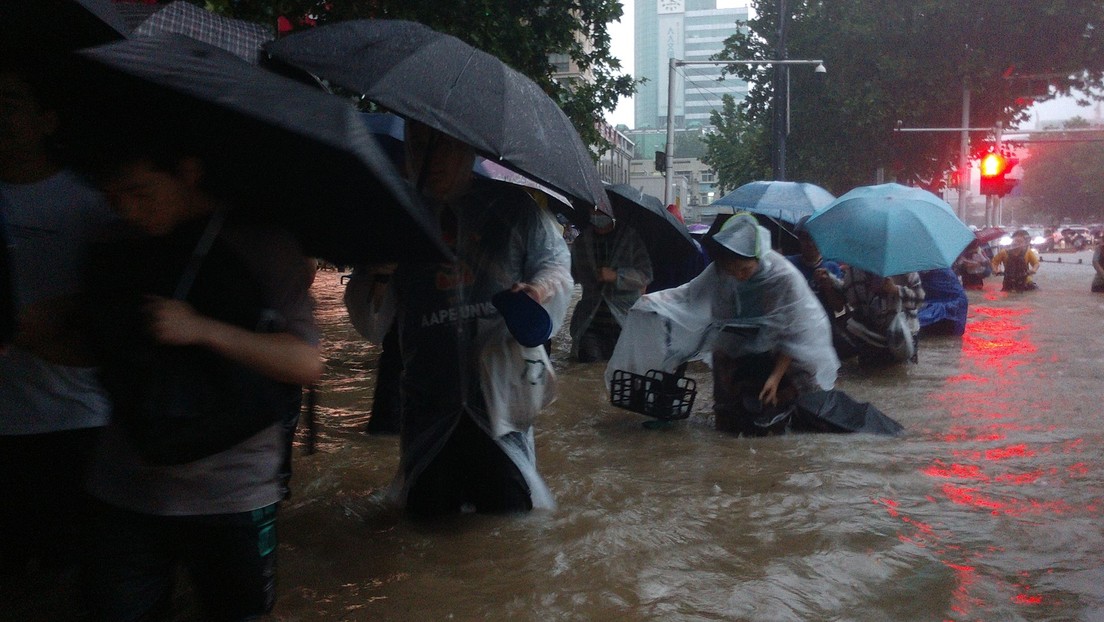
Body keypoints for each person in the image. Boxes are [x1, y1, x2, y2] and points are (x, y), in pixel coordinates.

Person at [67, 135, 323, 620]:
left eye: (141, 191)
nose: (128, 209)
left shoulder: (262, 243)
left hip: (231, 491)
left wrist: (201, 329)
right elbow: (84, 352)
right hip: (123, 482)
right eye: (112, 195)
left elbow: (306, 364)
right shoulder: (107, 241)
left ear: (187, 171)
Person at [344, 120, 573, 517]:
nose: (431, 157)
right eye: (418, 144)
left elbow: (556, 268)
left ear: (469, 150)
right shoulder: (396, 215)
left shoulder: (512, 209)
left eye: (445, 145)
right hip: (428, 404)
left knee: (508, 528)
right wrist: (379, 273)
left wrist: (537, 291)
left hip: (500, 405)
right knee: (427, 526)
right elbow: (369, 324)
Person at [0, 61, 117, 594]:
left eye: (10, 103)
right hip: (8, 416)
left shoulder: (91, 206)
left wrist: (50, 320)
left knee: (70, 578)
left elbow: (118, 311)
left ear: (47, 120)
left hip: (73, 416)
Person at [605, 212, 839, 436]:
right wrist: (653, 302)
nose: (738, 276)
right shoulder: (720, 270)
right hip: (744, 337)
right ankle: (726, 420)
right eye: (732, 270)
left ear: (757, 258)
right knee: (727, 398)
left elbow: (793, 333)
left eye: (745, 269)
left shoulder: (782, 278)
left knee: (804, 414)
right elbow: (689, 296)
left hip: (790, 349)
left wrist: (775, 378)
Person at [570, 209, 652, 362]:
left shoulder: (630, 239)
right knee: (588, 368)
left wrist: (616, 276)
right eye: (593, 210)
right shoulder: (582, 242)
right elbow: (570, 276)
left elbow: (645, 275)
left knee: (618, 372)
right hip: (590, 323)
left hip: (622, 323)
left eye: (600, 211)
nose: (596, 214)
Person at [817, 265, 925, 365]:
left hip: (903, 337)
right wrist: (831, 281)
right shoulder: (854, 271)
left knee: (904, 376)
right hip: (868, 337)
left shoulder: (904, 267)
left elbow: (919, 299)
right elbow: (846, 296)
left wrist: (896, 290)